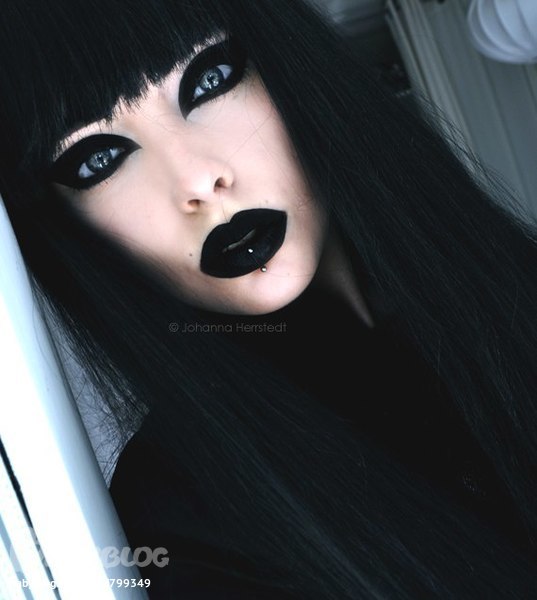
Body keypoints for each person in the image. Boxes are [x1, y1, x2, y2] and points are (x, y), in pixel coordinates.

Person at [2, 0, 537, 597]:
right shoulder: (179, 519)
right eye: (97, 159)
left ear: (290, 67)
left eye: (209, 80)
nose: (198, 180)